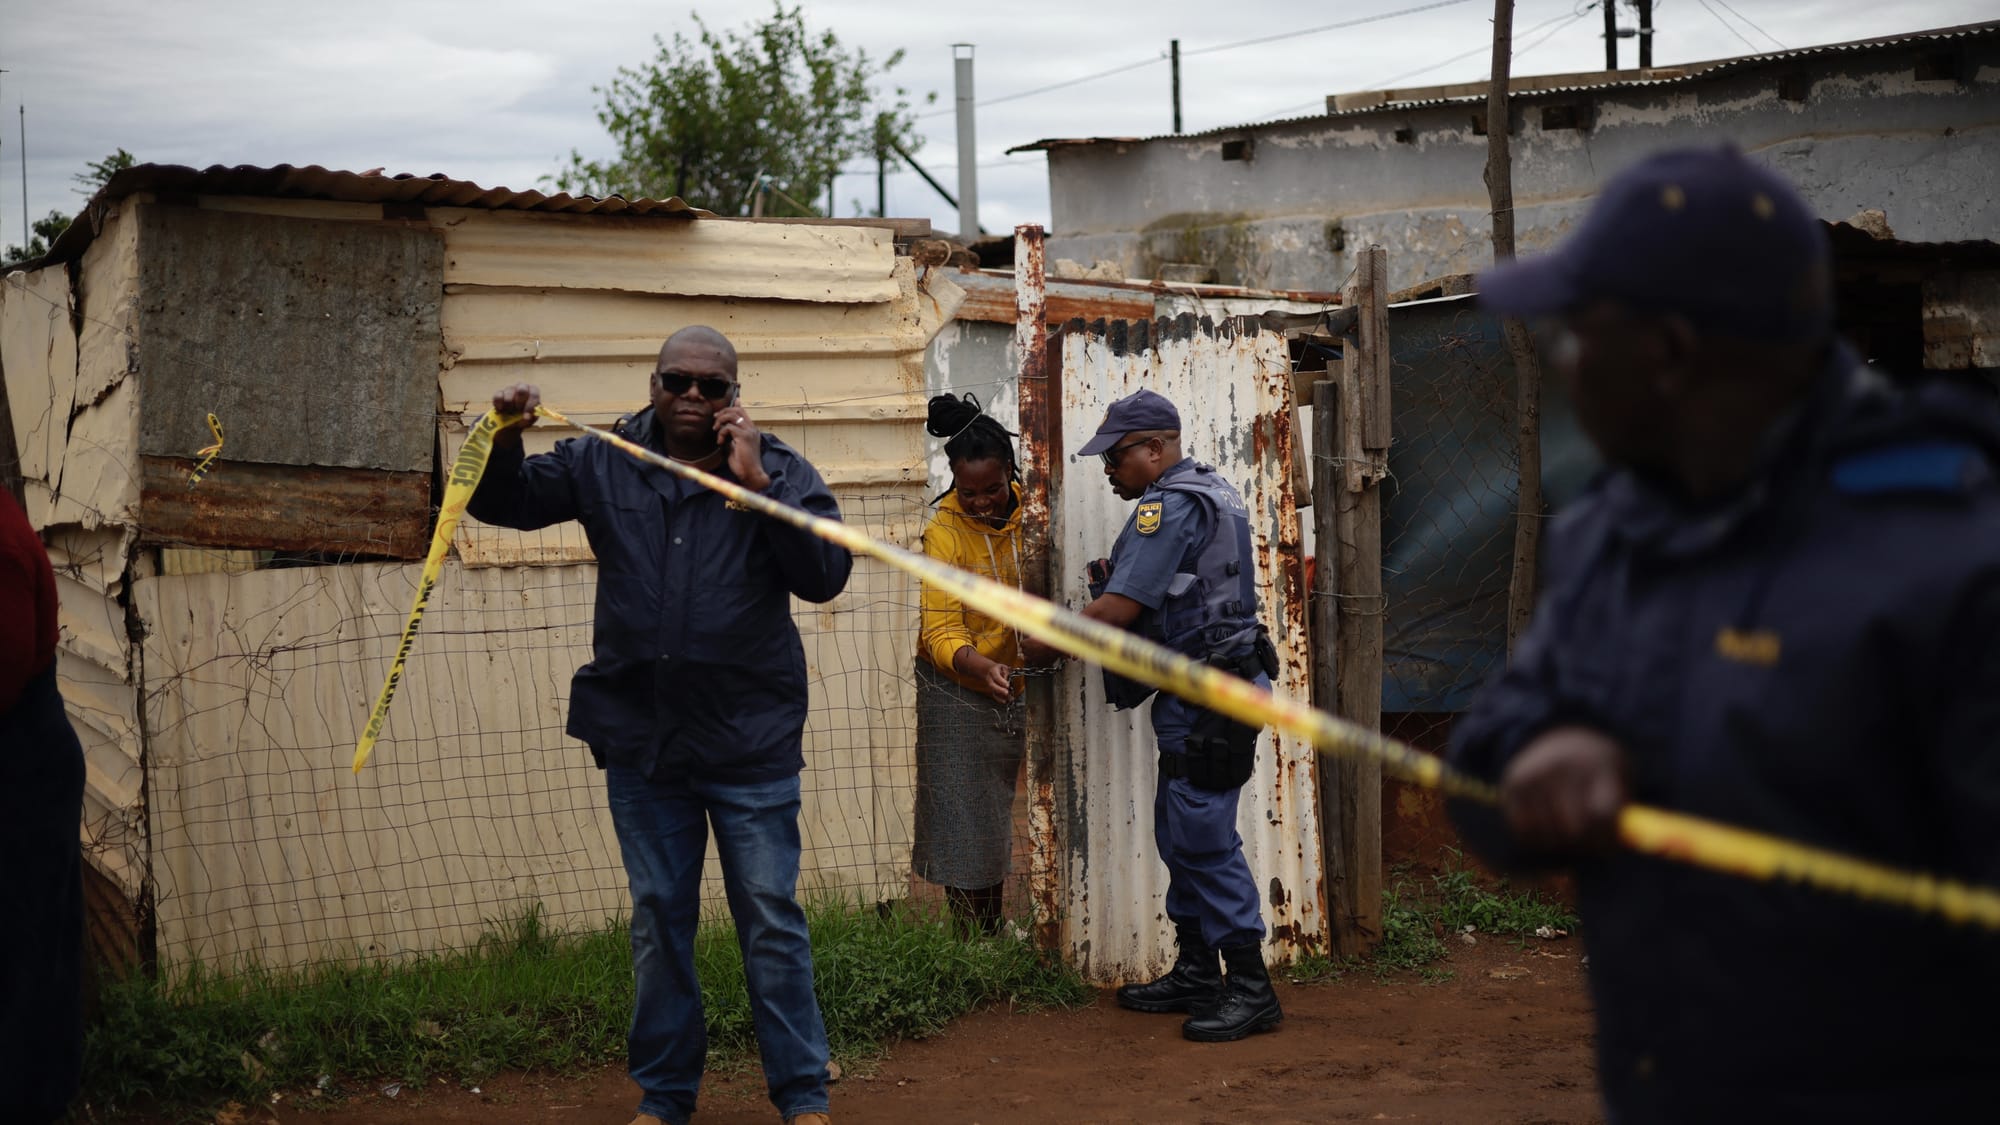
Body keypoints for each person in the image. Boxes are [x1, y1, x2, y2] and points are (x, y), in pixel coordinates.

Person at [1449, 145, 2000, 1123]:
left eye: (1578, 336)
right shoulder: (1611, 534)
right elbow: (1488, 756)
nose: (1563, 365)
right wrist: (1539, 751)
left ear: (1667, 353)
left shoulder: (1951, 559)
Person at [469, 326, 847, 1125]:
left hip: (749, 741)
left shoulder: (776, 467)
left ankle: (802, 1094)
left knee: (770, 919)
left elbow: (825, 575)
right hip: (645, 742)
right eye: (679, 380)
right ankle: (666, 1096)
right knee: (658, 920)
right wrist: (502, 435)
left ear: (735, 394)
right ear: (654, 383)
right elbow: (503, 503)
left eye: (713, 386)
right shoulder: (603, 458)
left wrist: (758, 486)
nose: (694, 396)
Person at [1021, 389, 1282, 1043]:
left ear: (1156, 448)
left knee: (1204, 839)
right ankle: (1197, 971)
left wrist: (1046, 640)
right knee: (1177, 831)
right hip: (1205, 689)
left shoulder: (1167, 506)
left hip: (1211, 694)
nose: (1110, 469)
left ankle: (1251, 989)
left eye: (1116, 456)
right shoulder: (1212, 490)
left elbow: (1120, 607)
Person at [912, 393, 1027, 935]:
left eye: (993, 489)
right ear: (954, 481)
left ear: (1010, 472)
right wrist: (981, 668)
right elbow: (941, 629)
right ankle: (970, 940)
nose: (982, 502)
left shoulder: (1035, 516)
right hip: (955, 682)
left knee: (998, 808)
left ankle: (994, 929)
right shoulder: (944, 531)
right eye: (969, 492)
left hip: (1020, 680)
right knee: (962, 813)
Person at [0, 487, 85, 1123]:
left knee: (25, 952)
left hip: (23, 769)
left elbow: (3, 672)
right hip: (20, 760)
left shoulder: (1, 544)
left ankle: (28, 1103)